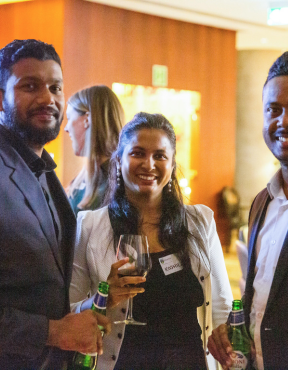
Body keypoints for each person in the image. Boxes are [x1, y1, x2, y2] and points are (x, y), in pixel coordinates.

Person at [0, 39, 109, 370]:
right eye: (30, 86)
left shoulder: (45, 172)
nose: (47, 98)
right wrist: (53, 332)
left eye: (55, 87)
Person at [208, 49, 288, 369]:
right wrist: (234, 330)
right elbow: (264, 301)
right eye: (273, 109)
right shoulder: (261, 202)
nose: (284, 121)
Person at [69, 112, 233, 370]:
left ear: (171, 164)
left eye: (160, 156)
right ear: (119, 160)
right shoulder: (90, 226)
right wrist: (103, 297)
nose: (149, 164)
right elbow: (70, 311)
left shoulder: (200, 221)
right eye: (137, 153)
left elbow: (221, 306)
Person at [65, 85, 124, 216]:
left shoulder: (117, 184)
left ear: (87, 119)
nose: (66, 128)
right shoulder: (85, 178)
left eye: (69, 118)